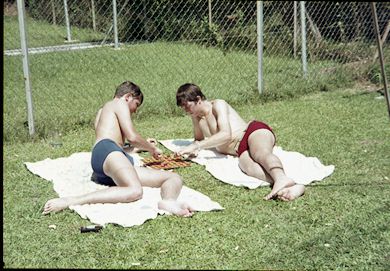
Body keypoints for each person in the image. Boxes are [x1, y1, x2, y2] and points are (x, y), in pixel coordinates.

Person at [43, 81, 193, 216]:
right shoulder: (119, 104)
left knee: (172, 177)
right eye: (136, 104)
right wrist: (151, 149)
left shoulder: (104, 110)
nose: (135, 111)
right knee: (134, 190)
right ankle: (71, 201)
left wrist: (136, 149)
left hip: (106, 157)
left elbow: (115, 142)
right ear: (127, 97)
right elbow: (132, 136)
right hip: (109, 152)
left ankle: (168, 201)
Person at [175, 83, 305, 201]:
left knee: (260, 153)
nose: (185, 110)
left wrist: (197, 145)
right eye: (183, 107)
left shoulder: (217, 105)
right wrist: (193, 150)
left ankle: (281, 178)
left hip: (250, 133)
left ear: (198, 99)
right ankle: (292, 186)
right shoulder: (196, 117)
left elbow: (226, 134)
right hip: (239, 150)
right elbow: (198, 140)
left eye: (187, 106)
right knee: (250, 168)